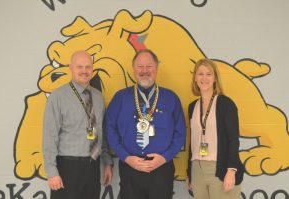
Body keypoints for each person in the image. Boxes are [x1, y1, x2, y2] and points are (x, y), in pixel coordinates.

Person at [106, 49, 186, 199]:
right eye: (140, 67)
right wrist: (126, 157)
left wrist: (164, 158)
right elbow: (110, 129)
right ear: (134, 69)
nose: (144, 71)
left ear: (156, 69)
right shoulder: (120, 98)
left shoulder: (170, 98)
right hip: (130, 168)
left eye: (149, 66)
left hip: (161, 168)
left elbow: (180, 132)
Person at [43, 51, 113, 199]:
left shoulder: (98, 97)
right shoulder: (58, 97)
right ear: (71, 68)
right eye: (79, 66)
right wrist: (52, 172)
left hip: (93, 167)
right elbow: (49, 137)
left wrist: (107, 162)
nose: (84, 71)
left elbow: (102, 134)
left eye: (88, 67)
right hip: (67, 168)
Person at [186, 58, 244, 199]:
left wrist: (231, 170)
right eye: (200, 74)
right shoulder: (192, 106)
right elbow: (192, 141)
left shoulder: (226, 104)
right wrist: (189, 173)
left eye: (208, 74)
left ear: (215, 78)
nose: (204, 78)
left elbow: (233, 140)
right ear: (195, 78)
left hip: (220, 167)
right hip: (197, 169)